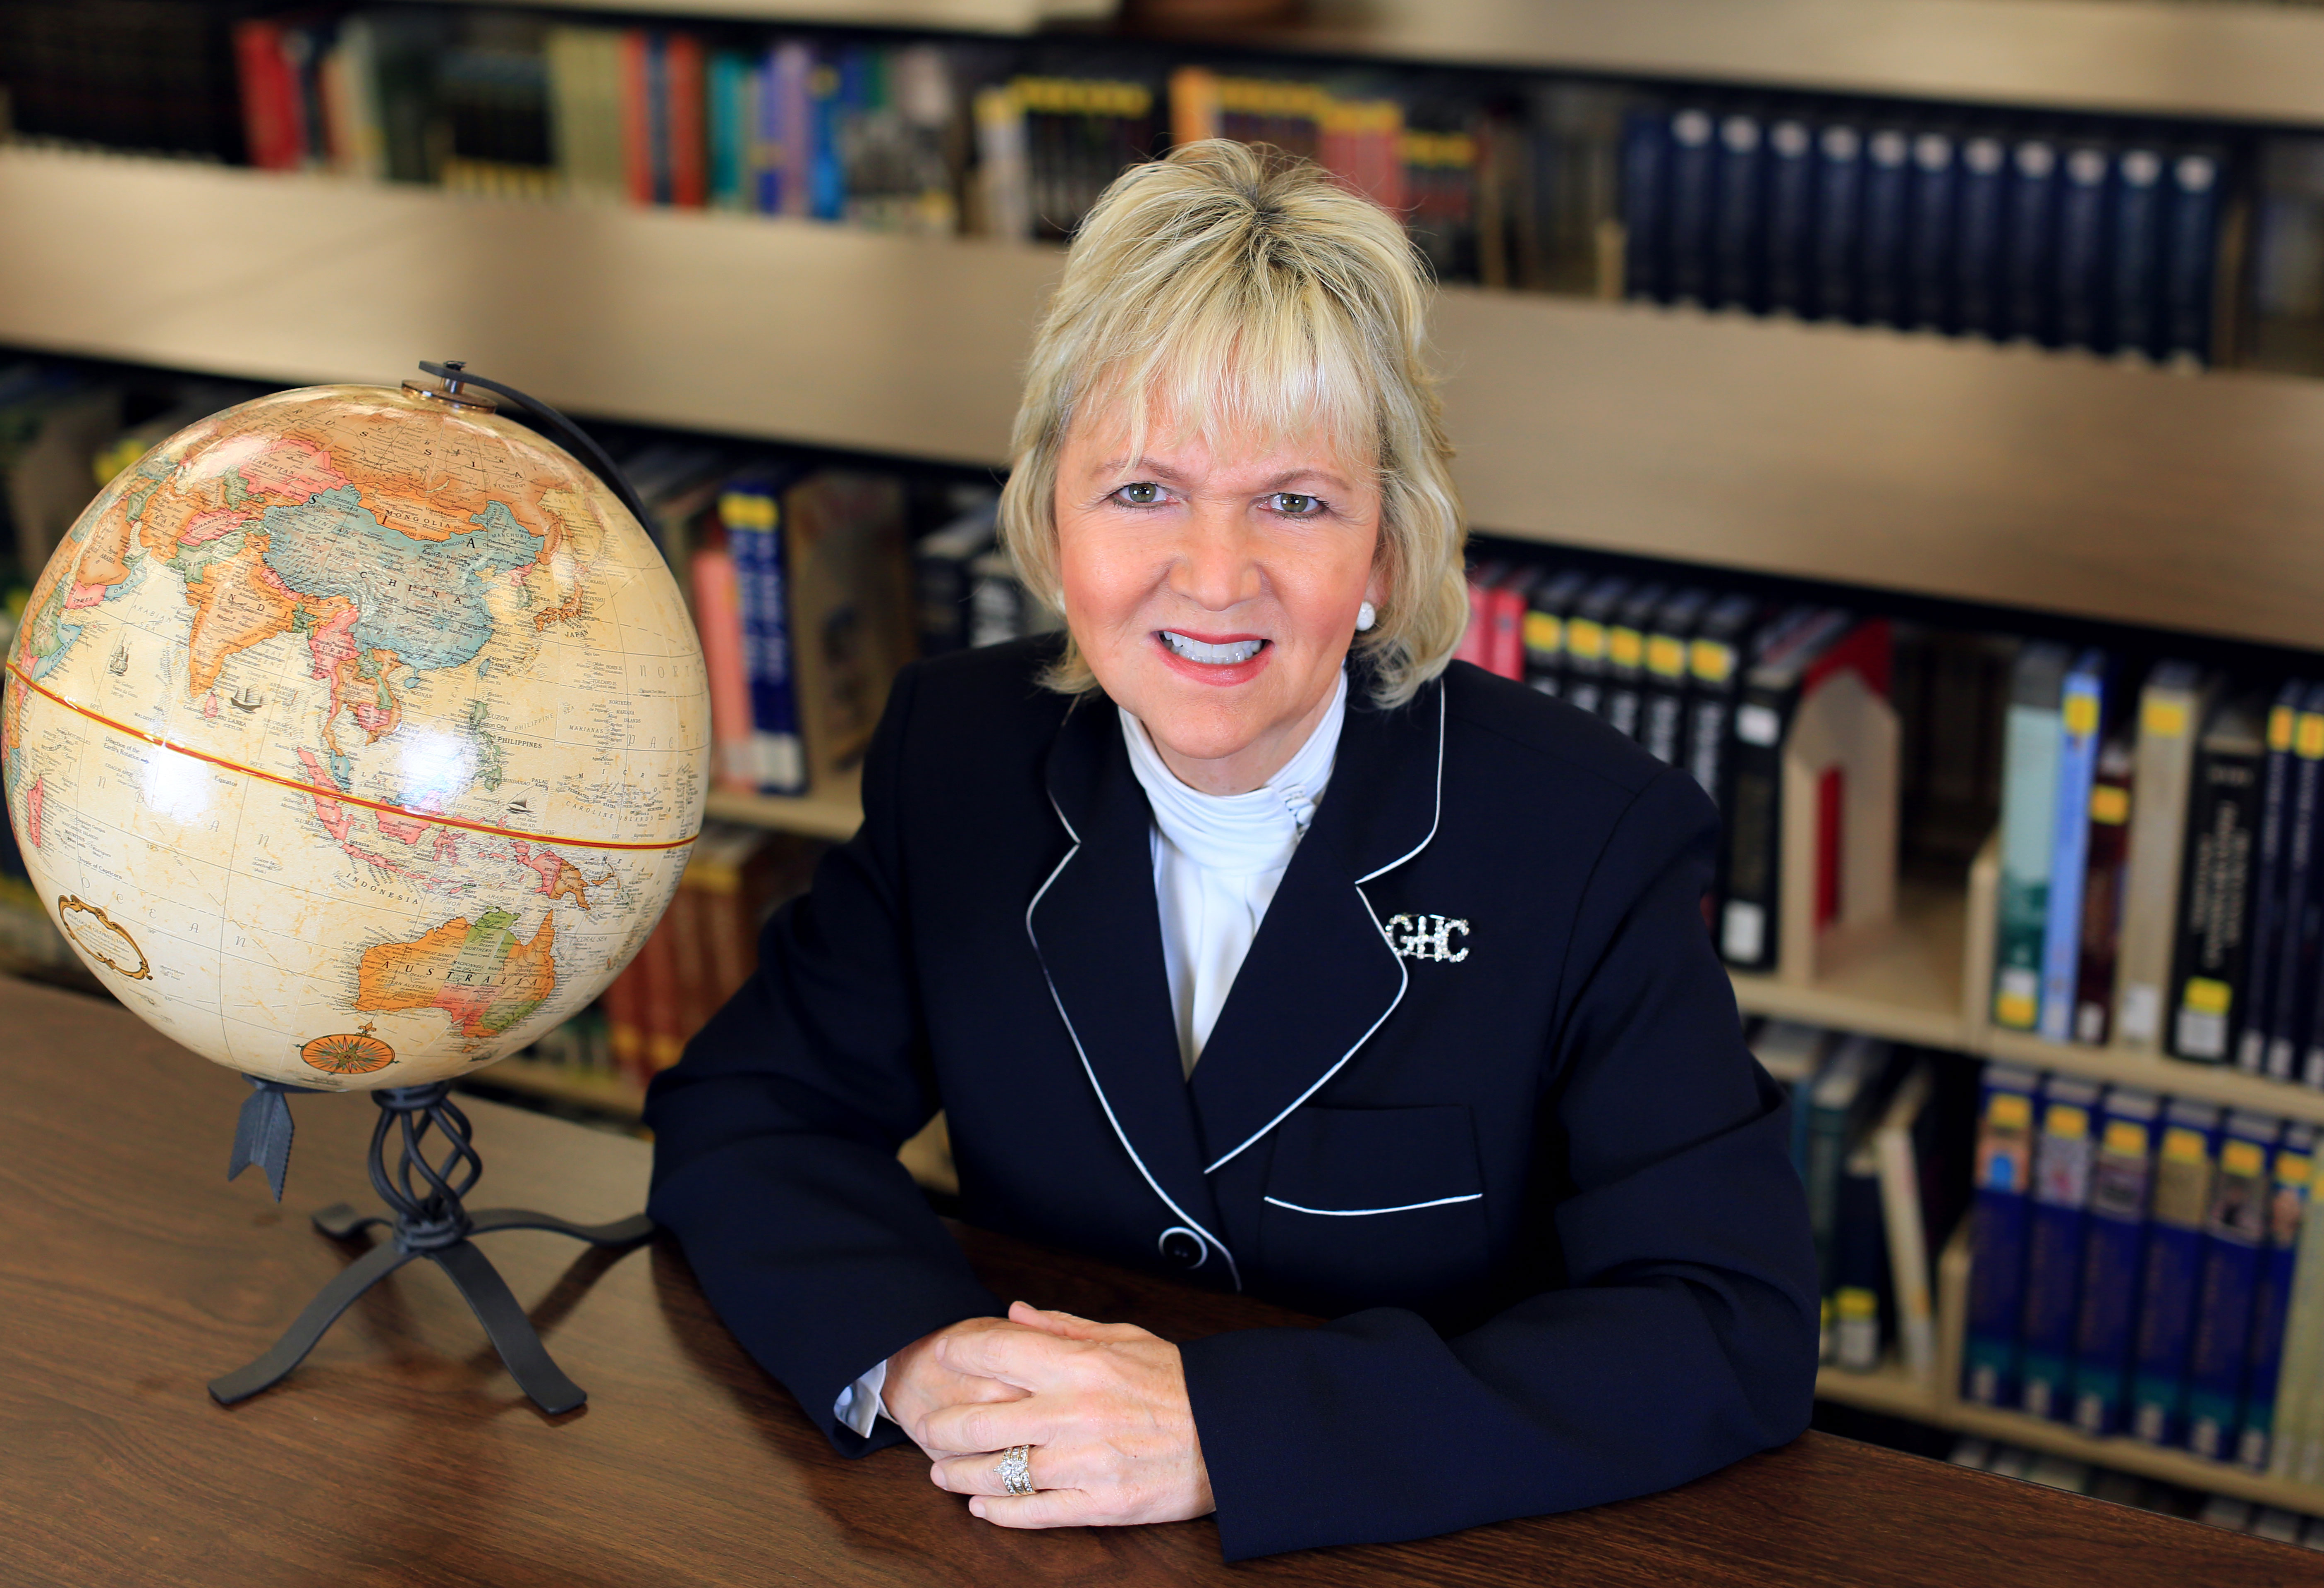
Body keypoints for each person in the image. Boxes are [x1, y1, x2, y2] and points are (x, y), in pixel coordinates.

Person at [645, 140, 1816, 1561]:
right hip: (1026, 1529)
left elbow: (1727, 1318)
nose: (1213, 577)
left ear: (1388, 546)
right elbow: (753, 1112)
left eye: (1296, 500)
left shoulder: (1584, 838)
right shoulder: (957, 759)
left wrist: (1232, 1426)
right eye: (1141, 492)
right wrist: (908, 1355)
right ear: (1049, 517)